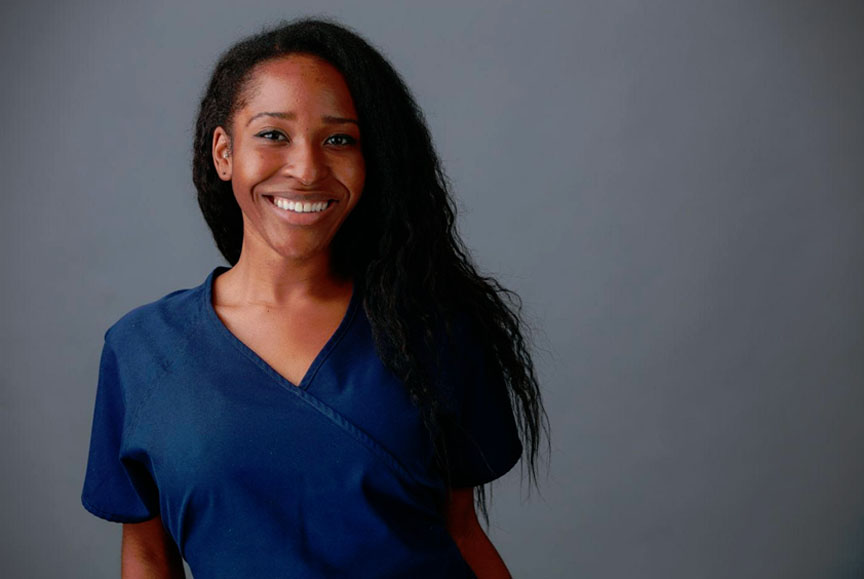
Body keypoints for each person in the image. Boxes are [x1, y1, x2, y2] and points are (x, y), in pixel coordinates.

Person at [81, 17, 549, 579]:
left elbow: (461, 534)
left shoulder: (434, 332)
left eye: (339, 139)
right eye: (273, 134)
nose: (306, 169)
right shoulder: (141, 350)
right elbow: (148, 555)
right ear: (224, 153)